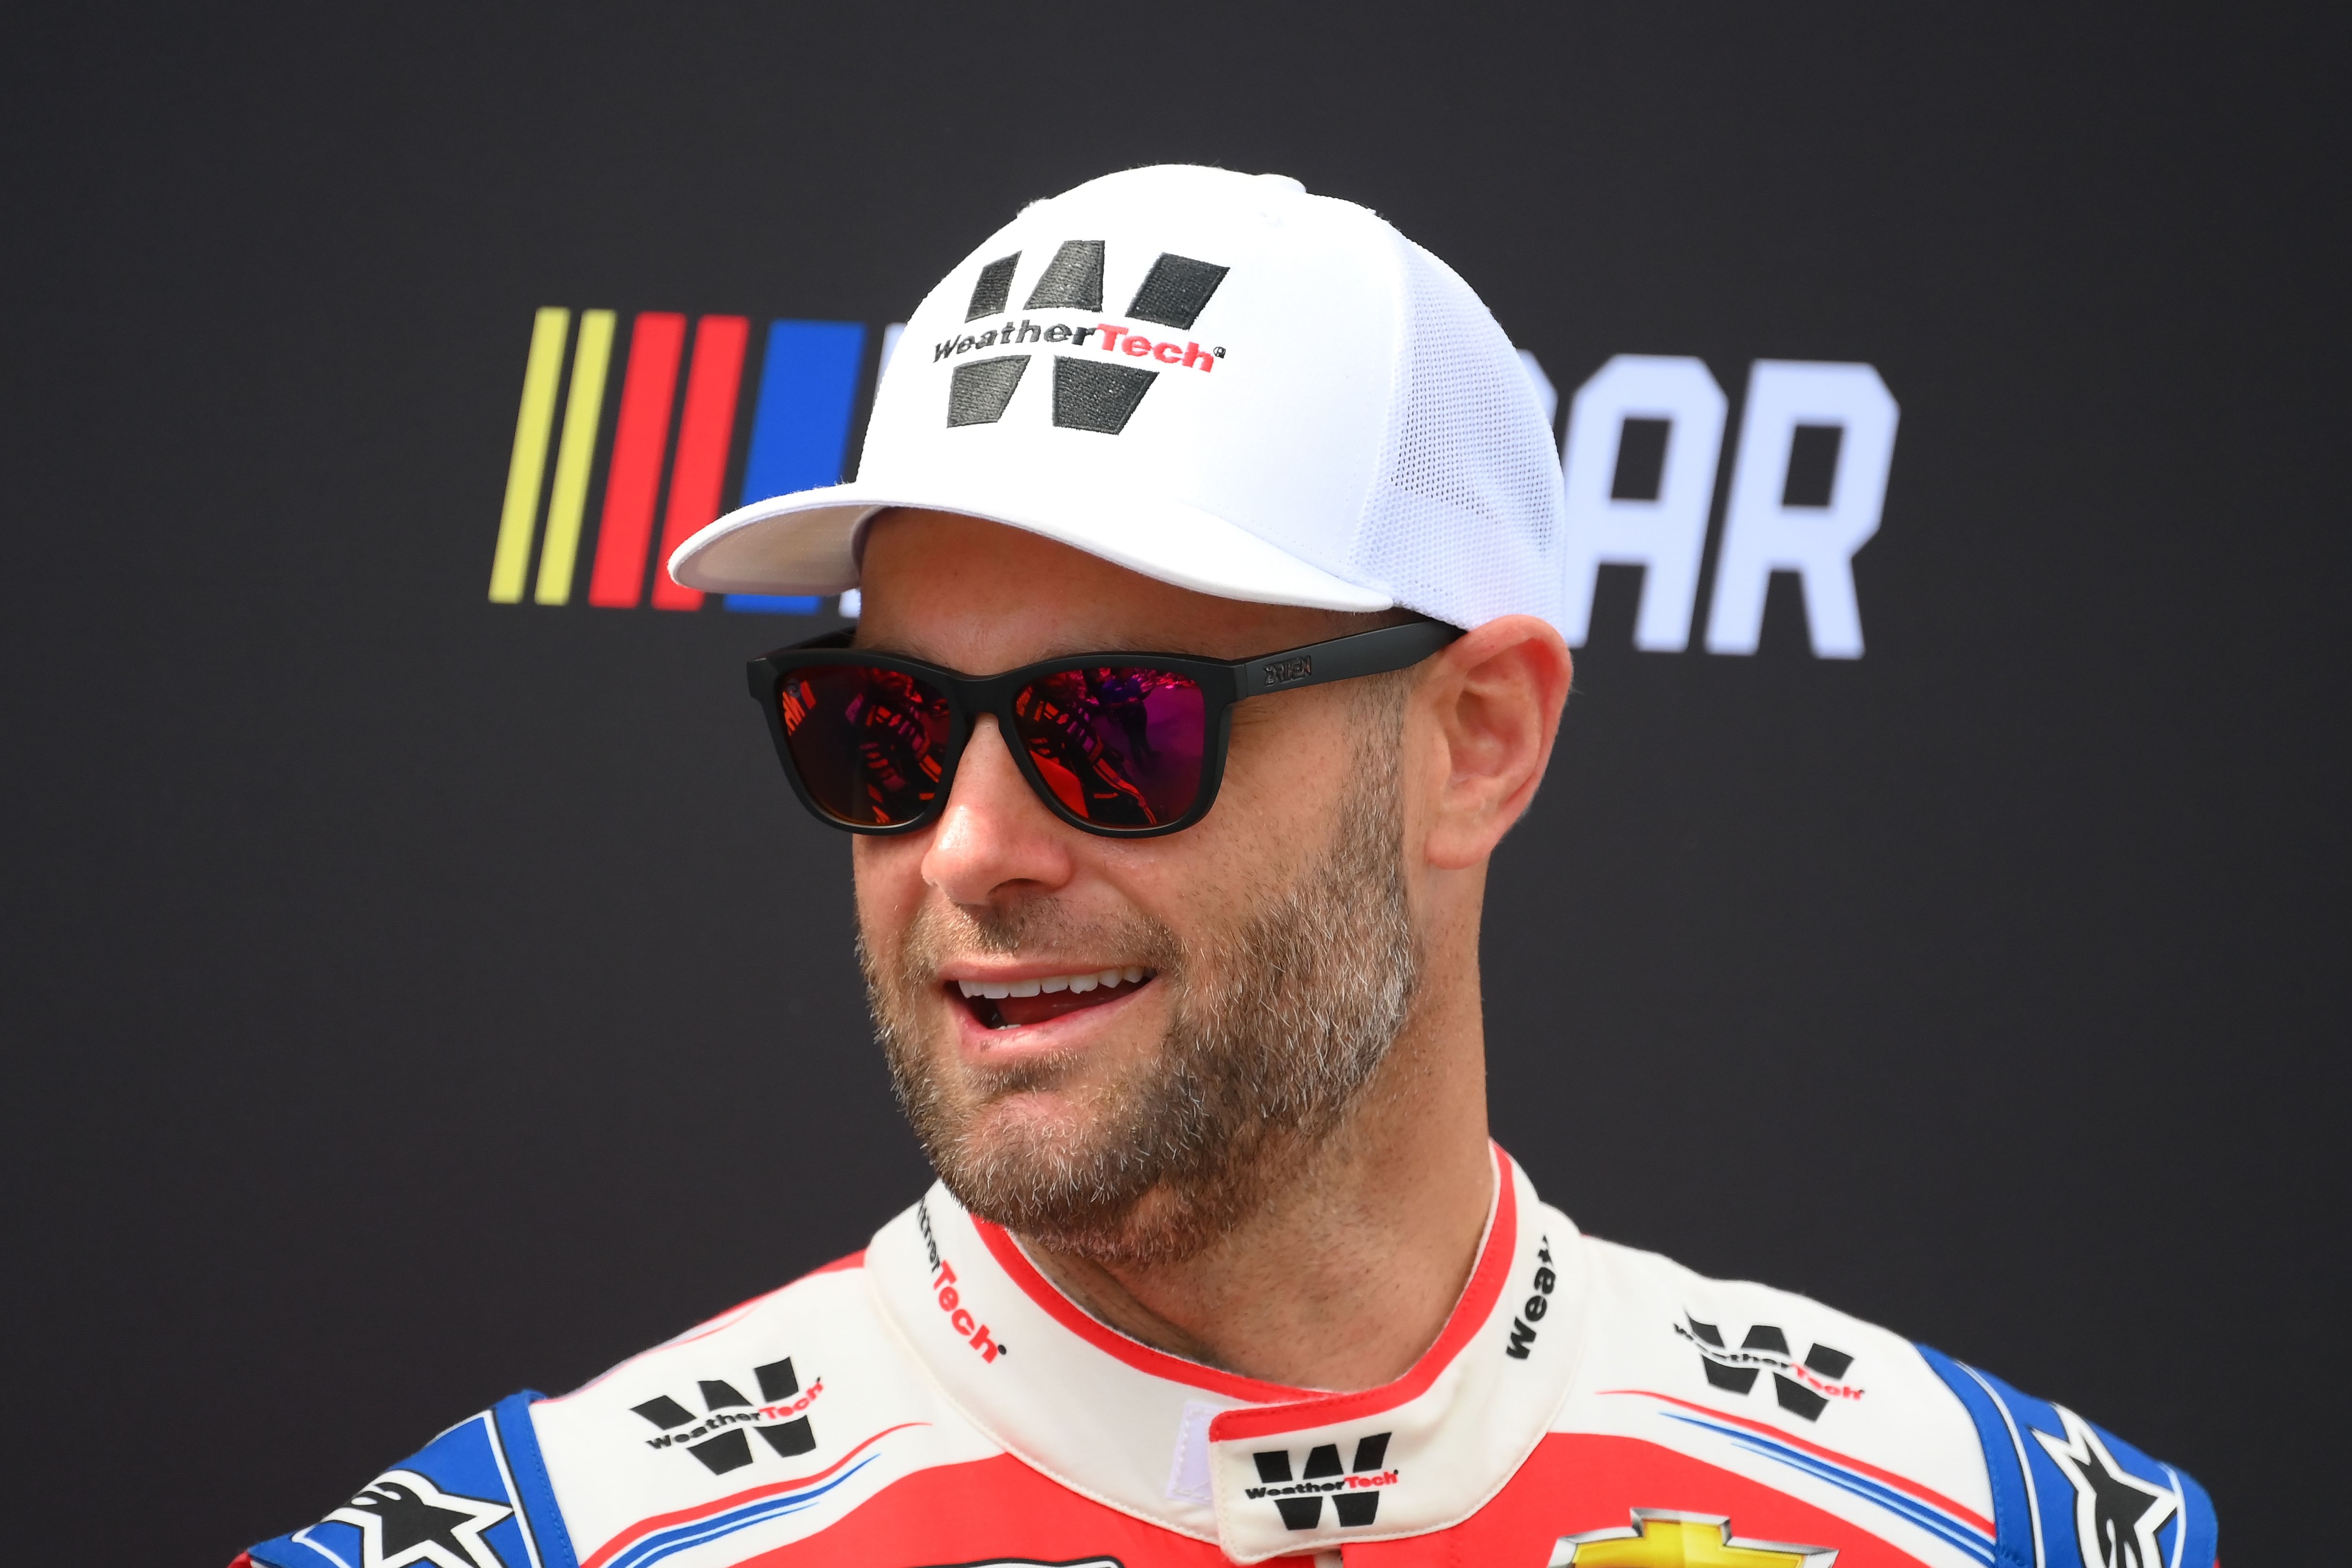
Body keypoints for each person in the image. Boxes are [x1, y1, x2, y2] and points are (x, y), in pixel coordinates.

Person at [236, 166, 2215, 1568]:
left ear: (1479, 740)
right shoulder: (552, 1543)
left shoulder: (2008, 1528)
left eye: (1118, 725)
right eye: (885, 734)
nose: (969, 850)